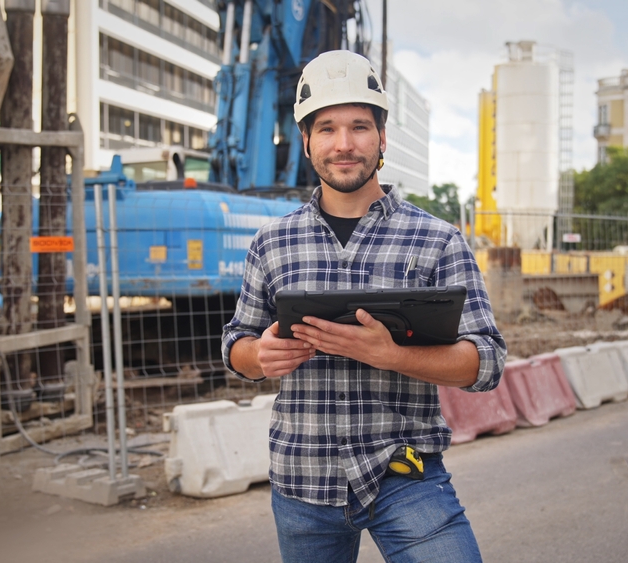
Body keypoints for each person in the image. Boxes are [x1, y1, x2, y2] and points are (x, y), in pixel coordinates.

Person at [221, 50, 506, 563]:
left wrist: (392, 354)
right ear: (307, 142)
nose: (344, 144)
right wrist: (258, 357)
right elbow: (236, 343)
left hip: (404, 474)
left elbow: (486, 363)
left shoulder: (437, 240)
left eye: (359, 126)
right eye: (327, 129)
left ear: (382, 138)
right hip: (303, 479)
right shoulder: (272, 243)